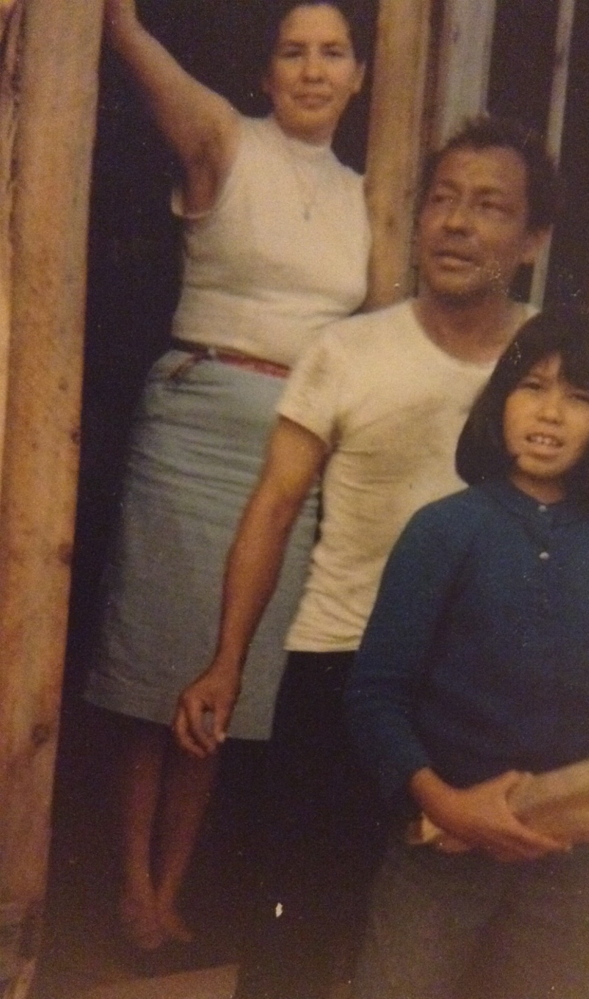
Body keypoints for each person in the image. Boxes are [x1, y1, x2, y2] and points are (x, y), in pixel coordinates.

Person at [174, 117, 589, 999]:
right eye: (441, 199)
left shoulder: (555, 363)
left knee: (496, 950)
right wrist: (225, 659)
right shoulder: (348, 349)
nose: (455, 223)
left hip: (495, 699)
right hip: (347, 676)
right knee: (299, 943)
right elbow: (275, 505)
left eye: (488, 207)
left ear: (532, 240)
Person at [83, 0, 372, 952]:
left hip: (295, 450)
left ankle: (171, 890)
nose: (313, 69)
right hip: (196, 421)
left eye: (333, 53)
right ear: (265, 72)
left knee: (226, 668)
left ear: (359, 76)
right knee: (153, 662)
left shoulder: (374, 193)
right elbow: (128, 38)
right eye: (294, 52)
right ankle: (129, 885)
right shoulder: (223, 138)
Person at [344, 307, 589, 999]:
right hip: (439, 846)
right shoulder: (443, 529)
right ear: (501, 400)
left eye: (580, 397)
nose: (550, 413)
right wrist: (448, 805)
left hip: (560, 867)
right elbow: (375, 695)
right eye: (533, 386)